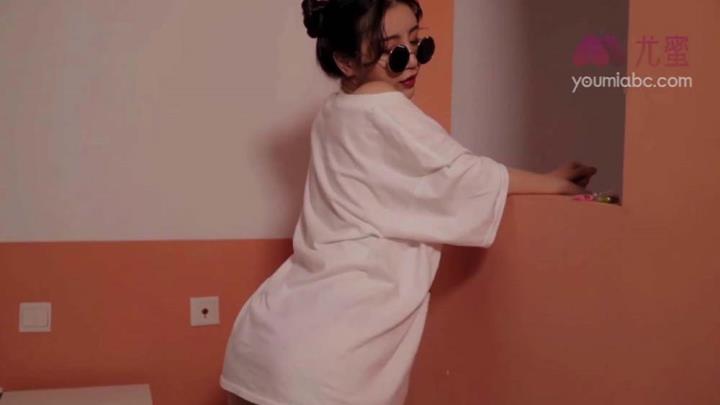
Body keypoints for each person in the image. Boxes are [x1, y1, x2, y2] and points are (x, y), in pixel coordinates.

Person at [220, 1, 597, 404]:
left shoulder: (334, 112)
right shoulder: (387, 110)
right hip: (327, 356)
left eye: (418, 44)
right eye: (394, 52)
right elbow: (462, 176)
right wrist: (552, 183)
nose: (413, 61)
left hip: (268, 336)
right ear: (347, 61)